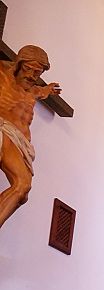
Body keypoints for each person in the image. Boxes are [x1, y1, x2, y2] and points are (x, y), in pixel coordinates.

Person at [0, 45, 62, 229]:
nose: (31, 76)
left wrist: (49, 89)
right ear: (18, 64)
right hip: (2, 129)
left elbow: (42, 91)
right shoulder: (3, 75)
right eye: (28, 69)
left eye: (38, 72)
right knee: (22, 184)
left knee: (23, 190)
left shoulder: (34, 91)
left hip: (19, 142)